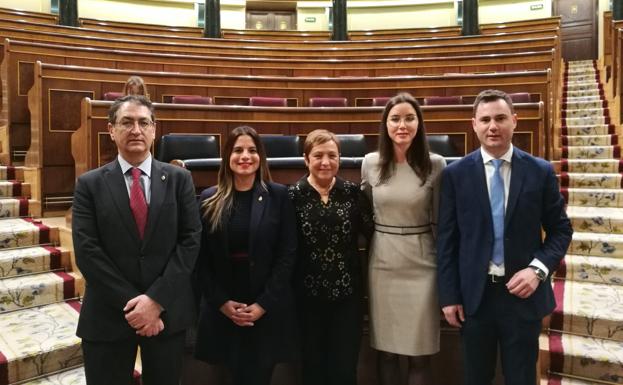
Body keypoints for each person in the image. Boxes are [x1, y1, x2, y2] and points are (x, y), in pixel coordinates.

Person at [436, 89, 573, 385]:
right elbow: (447, 240)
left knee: (521, 378)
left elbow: (561, 230)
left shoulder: (539, 171)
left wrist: (537, 270)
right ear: (474, 124)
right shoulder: (455, 174)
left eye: (500, 118)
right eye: (485, 120)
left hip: (522, 296)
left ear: (515, 120)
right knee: (476, 378)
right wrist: (449, 296)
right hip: (475, 297)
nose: (492, 126)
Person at [72, 95, 202, 385]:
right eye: (126, 122)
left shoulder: (180, 179)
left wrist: (156, 301)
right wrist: (137, 307)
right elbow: (87, 251)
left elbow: (190, 241)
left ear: (154, 130)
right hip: (107, 314)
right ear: (111, 130)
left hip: (166, 315)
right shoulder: (89, 184)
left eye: (144, 122)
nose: (136, 130)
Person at [194, 126, 298, 385]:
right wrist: (222, 303)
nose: (245, 156)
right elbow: (200, 259)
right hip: (225, 309)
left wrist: (263, 305)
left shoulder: (278, 196)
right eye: (238, 150)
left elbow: (287, 255)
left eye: (252, 150)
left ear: (260, 156)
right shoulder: (209, 199)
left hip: (265, 308)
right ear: (227, 156)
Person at [361, 93, 446, 385]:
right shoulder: (371, 162)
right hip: (383, 261)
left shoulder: (436, 164)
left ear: (419, 123)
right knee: (386, 352)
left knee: (419, 354)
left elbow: (441, 220)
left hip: (422, 261)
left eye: (410, 118)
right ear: (385, 124)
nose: (402, 125)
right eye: (395, 118)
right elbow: (364, 215)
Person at [288, 129, 373, 385]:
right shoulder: (292, 195)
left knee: (345, 368)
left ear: (340, 159)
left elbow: (372, 234)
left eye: (332, 156)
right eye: (318, 156)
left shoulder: (353, 193)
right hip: (306, 297)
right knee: (312, 367)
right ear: (306, 159)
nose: (325, 162)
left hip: (347, 296)